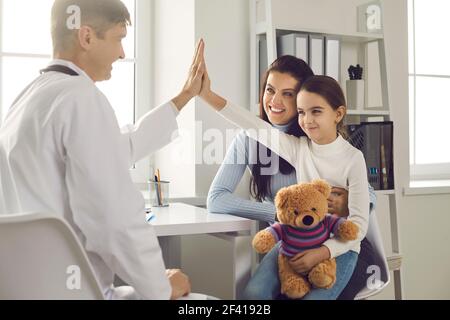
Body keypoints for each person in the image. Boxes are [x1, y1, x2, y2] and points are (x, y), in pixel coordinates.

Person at [0, 0, 206, 300]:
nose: (122, 53)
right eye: (118, 38)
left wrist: (185, 96)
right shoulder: (82, 98)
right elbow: (115, 219)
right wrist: (160, 288)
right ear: (86, 37)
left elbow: (118, 149)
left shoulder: (26, 102)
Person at [202, 55, 371, 299]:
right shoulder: (298, 146)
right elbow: (252, 125)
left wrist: (325, 246)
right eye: (303, 112)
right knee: (254, 294)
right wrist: (207, 95)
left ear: (338, 113)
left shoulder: (352, 158)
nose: (308, 120)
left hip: (336, 247)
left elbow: (360, 217)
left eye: (289, 94)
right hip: (292, 240)